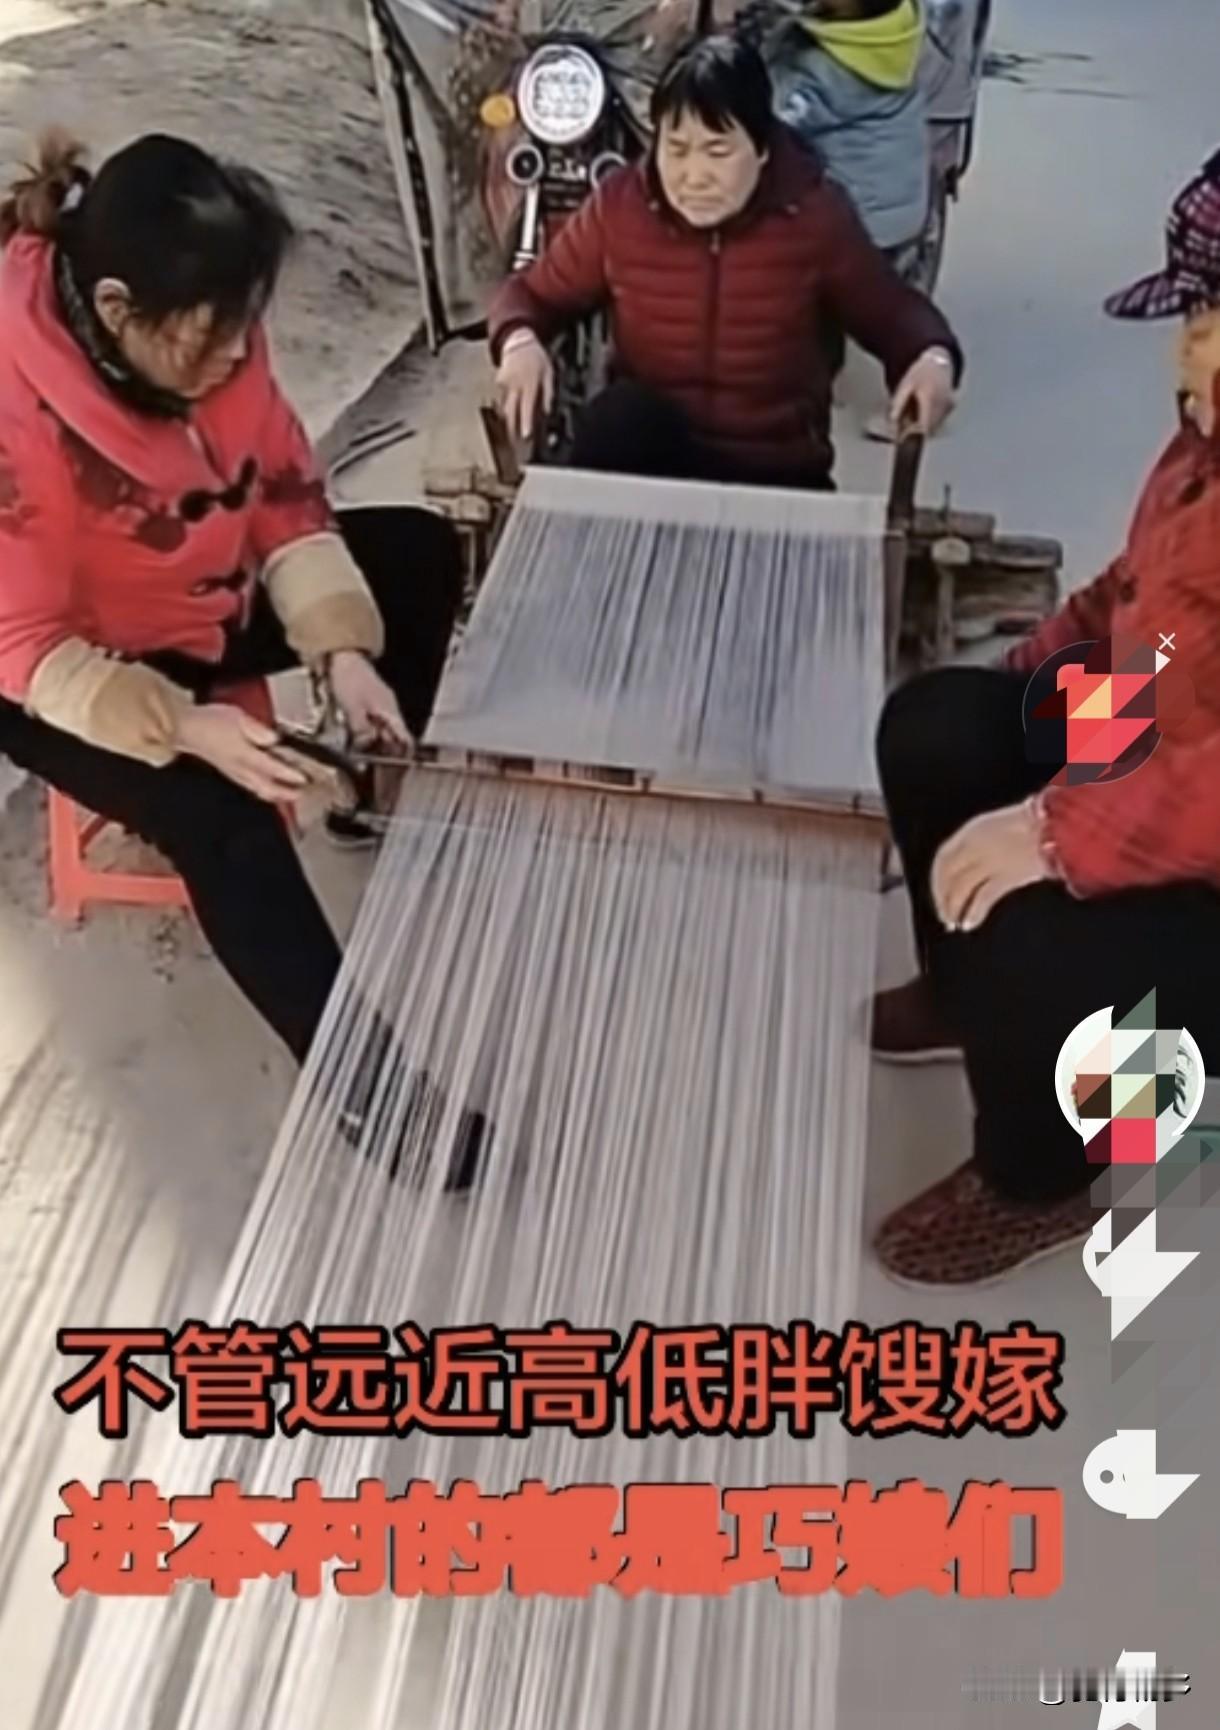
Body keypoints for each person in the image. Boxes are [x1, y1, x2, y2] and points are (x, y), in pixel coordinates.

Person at [0, 129, 464, 1080]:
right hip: (58, 669)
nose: (237, 358)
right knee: (228, 826)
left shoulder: (211, 337)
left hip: (195, 598)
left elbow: (283, 492)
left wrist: (342, 651)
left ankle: (366, 774)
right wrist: (184, 726)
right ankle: (368, 1087)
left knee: (416, 550)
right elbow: (21, 638)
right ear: (117, 310)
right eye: (210, 341)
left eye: (242, 332)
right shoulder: (15, 410)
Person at [867, 147, 1220, 1287]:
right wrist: (1028, 682)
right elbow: (1141, 592)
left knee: (1035, 933)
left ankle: (1040, 1174)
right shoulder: (1203, 442)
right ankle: (967, 1002)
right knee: (941, 728)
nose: (1187, 347)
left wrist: (1056, 832)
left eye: (1209, 317)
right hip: (1160, 722)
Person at [489, 33, 961, 488]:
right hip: (654, 463)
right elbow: (533, 293)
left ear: (761, 148)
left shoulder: (814, 215)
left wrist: (931, 358)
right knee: (617, 418)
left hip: (775, 469)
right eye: (676, 149)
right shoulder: (620, 209)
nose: (694, 176)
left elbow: (892, 311)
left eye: (718, 152)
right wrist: (519, 341)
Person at [758, 0, 932, 265]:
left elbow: (766, 127)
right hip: (900, 206)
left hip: (860, 223)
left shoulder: (827, 73)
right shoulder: (891, 33)